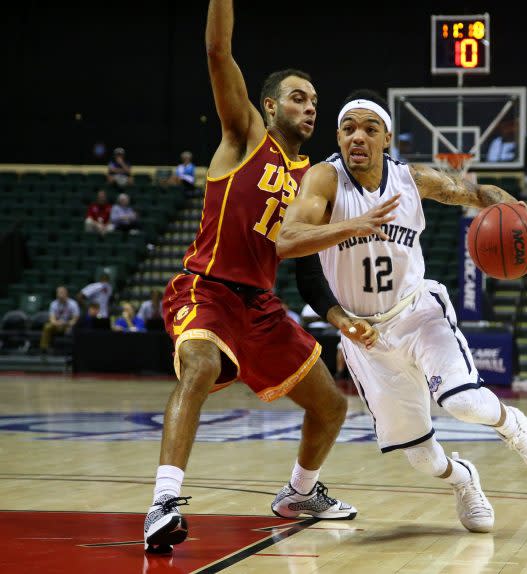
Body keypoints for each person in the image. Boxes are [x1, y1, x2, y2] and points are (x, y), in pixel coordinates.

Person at [277, 90, 527, 534]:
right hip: (364, 336)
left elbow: (478, 193)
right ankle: (465, 480)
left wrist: (519, 210)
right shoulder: (324, 180)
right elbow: (289, 238)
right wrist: (344, 318)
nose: (358, 137)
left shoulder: (412, 179)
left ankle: (515, 427)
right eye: (349, 128)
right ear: (338, 136)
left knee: (464, 401)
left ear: (386, 137)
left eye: (370, 129)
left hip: (417, 313)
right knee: (422, 458)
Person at [144, 0, 368, 554]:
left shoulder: (315, 182)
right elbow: (217, 51)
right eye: (298, 97)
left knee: (332, 406)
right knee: (199, 364)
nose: (311, 108)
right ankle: (163, 502)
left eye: (316, 101)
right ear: (269, 106)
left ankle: (300, 493)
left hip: (262, 306)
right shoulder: (246, 136)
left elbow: (310, 266)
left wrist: (340, 315)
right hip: (207, 286)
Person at [40, 286, 79, 354]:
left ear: (66, 293)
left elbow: (75, 319)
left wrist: (67, 324)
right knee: (47, 326)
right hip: (57, 324)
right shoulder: (53, 304)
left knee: (74, 328)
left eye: (62, 293)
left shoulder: (73, 303)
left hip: (68, 325)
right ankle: (44, 348)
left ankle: (74, 351)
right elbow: (52, 319)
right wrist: (57, 323)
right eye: (58, 293)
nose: (60, 294)